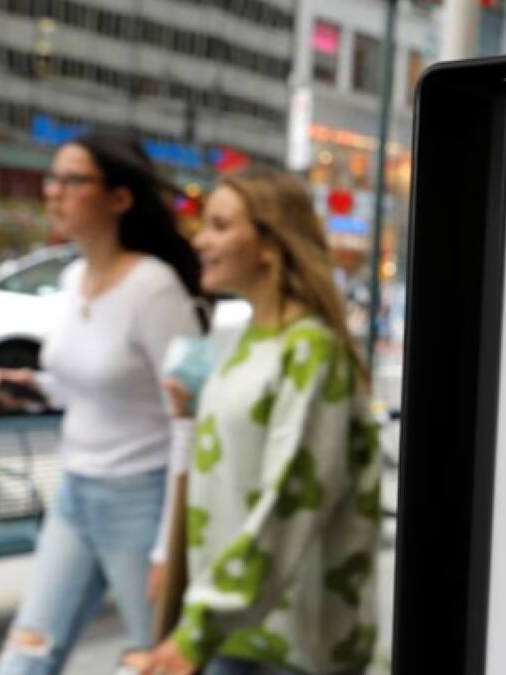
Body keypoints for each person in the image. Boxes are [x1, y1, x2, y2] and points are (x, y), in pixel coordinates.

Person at [141, 172, 381, 675]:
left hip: (286, 645)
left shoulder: (311, 348)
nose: (201, 239)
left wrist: (199, 628)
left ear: (271, 244)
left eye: (220, 225)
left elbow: (293, 494)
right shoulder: (252, 337)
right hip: (243, 630)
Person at [0, 128, 207, 675]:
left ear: (120, 198)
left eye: (72, 179)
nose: (53, 191)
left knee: (151, 659)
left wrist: (166, 547)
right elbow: (90, 385)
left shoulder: (155, 288)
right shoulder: (72, 277)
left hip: (142, 499)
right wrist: (35, 387)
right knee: (25, 657)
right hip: (74, 494)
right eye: (52, 177)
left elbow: (189, 417)